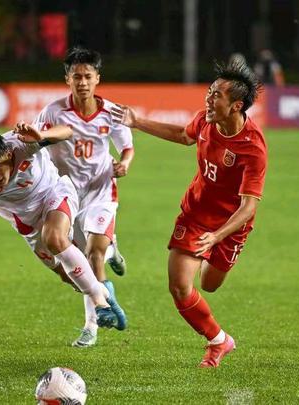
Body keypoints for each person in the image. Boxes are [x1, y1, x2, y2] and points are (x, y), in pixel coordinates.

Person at [111, 60, 267, 368]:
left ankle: (211, 258)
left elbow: (249, 206)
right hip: (195, 216)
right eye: (210, 91)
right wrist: (137, 121)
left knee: (209, 285)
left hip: (231, 227)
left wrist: (217, 237)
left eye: (217, 95)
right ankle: (219, 340)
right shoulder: (206, 121)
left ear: (236, 105)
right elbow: (183, 135)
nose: (208, 99)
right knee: (180, 286)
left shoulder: (253, 148)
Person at [0, 123, 127, 334]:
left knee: (54, 238)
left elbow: (67, 131)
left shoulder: (21, 143)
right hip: (27, 223)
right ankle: (105, 278)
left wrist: (41, 135)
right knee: (68, 277)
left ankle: (100, 303)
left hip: (54, 193)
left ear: (8, 153)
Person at [33, 47, 134, 348]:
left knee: (93, 254)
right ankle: (112, 252)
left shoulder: (111, 112)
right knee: (82, 262)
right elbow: (35, 141)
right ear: (67, 79)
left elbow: (126, 147)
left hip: (101, 191)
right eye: (76, 76)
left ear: (97, 78)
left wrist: (124, 164)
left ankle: (92, 326)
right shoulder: (53, 112)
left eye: (88, 76)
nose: (83, 82)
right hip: (66, 195)